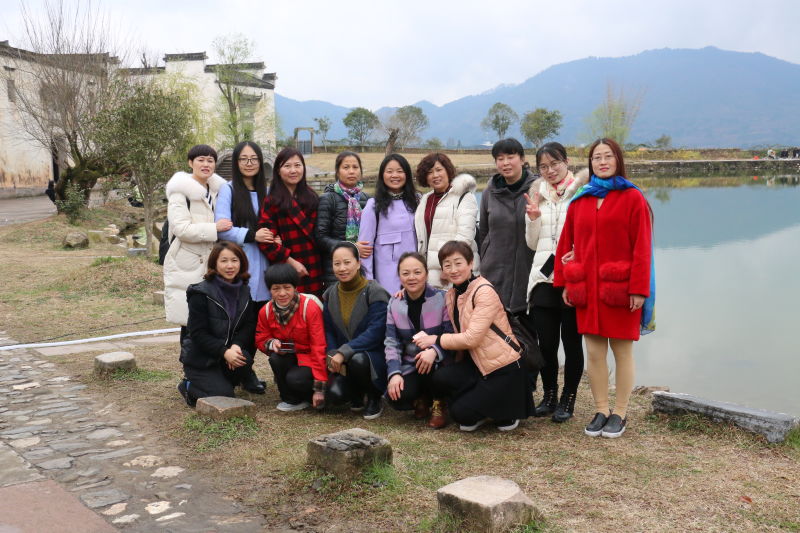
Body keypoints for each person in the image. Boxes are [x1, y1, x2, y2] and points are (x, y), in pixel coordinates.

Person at [554, 138, 654, 439]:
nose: (602, 162)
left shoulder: (632, 197)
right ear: (590, 163)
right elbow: (566, 243)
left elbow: (642, 247)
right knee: (595, 353)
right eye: (597, 157)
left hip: (620, 289)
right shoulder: (581, 199)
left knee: (622, 351)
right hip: (588, 290)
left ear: (618, 160)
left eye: (608, 156)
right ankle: (601, 409)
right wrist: (565, 282)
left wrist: (639, 289)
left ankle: (620, 412)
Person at [430, 241, 533, 432]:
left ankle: (505, 409)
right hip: (478, 364)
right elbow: (428, 295)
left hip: (503, 367)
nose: (453, 269)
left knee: (461, 414)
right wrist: (404, 292)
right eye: (447, 265)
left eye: (458, 263)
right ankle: (484, 403)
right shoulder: (451, 294)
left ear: (471, 263)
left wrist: (435, 341)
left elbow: (471, 339)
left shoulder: (483, 290)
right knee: (441, 377)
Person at [524, 142, 587, 422]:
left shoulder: (582, 193)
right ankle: (549, 395)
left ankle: (568, 399)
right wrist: (533, 219)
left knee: (571, 343)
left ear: (566, 162)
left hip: (571, 279)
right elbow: (532, 243)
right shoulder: (536, 195)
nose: (550, 171)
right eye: (543, 167)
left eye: (555, 164)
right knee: (546, 345)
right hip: (542, 279)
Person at [177, 241, 257, 406]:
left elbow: (249, 324)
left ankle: (221, 383)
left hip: (226, 354)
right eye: (224, 261)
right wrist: (224, 352)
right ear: (214, 263)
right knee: (223, 397)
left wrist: (236, 345)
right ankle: (187, 386)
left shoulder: (244, 290)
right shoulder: (200, 293)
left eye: (234, 260)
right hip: (201, 359)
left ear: (241, 263)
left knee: (244, 359)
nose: (230, 266)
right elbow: (198, 333)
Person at [163, 145, 230, 331]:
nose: (206, 164)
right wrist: (214, 228)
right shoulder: (180, 192)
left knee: (212, 319)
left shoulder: (218, 190)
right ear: (190, 163)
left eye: (210, 160)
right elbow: (180, 228)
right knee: (190, 320)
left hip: (214, 260)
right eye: (201, 160)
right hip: (189, 261)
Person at [384, 252, 453, 428]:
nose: (411, 277)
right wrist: (394, 373)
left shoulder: (442, 298)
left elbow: (450, 333)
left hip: (439, 362)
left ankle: (439, 402)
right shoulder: (394, 303)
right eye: (405, 273)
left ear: (426, 274)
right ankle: (422, 397)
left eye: (417, 272)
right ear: (399, 276)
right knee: (397, 397)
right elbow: (392, 342)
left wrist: (435, 351)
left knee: (436, 372)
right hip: (412, 362)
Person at [322, 242, 390, 420]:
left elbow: (375, 332)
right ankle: (356, 393)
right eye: (337, 264)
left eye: (347, 262)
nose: (342, 268)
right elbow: (329, 330)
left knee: (358, 359)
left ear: (358, 263)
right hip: (343, 359)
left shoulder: (375, 292)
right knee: (335, 396)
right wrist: (332, 353)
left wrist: (344, 352)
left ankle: (374, 397)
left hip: (372, 356)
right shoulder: (330, 294)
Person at [479, 138, 538, 325]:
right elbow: (484, 231)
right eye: (500, 158)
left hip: (529, 271)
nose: (505, 163)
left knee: (530, 333)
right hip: (495, 272)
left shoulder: (537, 189)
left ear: (522, 159)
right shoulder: (489, 192)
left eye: (510, 157)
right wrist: (484, 259)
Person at [255, 263, 327, 412]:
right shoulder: (266, 311)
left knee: (296, 379)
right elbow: (261, 337)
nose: (282, 293)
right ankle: (291, 399)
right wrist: (271, 343)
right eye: (276, 288)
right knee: (275, 358)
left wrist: (319, 388)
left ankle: (315, 396)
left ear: (295, 287)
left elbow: (319, 346)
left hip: (312, 359)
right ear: (269, 290)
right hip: (290, 356)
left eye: (287, 287)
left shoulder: (309, 307)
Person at [215, 141, 278, 308]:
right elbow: (222, 229)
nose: (249, 163)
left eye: (253, 159)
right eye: (243, 159)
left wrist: (277, 237)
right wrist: (253, 235)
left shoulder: (268, 192)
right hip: (240, 262)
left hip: (267, 263)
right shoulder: (228, 190)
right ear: (236, 162)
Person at [257, 147, 323, 296]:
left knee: (314, 306)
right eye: (287, 166)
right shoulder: (272, 201)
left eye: (297, 165)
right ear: (278, 171)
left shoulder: (312, 197)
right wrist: (290, 261)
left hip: (314, 266)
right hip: (286, 269)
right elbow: (266, 241)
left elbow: (320, 233)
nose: (293, 170)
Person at [414, 153, 479, 288]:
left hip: (456, 270)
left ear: (448, 171)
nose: (435, 175)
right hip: (430, 271)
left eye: (439, 170)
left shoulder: (464, 197)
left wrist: (448, 268)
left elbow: (465, 236)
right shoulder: (425, 199)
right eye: (430, 172)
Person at [358, 154, 419, 294]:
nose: (395, 175)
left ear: (407, 175)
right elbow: (365, 248)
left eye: (400, 171)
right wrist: (368, 282)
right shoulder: (373, 205)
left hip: (416, 274)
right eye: (389, 171)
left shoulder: (417, 201)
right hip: (388, 278)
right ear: (382, 175)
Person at [315, 151, 370, 287]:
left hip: (364, 269)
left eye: (355, 167)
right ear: (337, 172)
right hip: (336, 271)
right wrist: (351, 247)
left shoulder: (368, 200)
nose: (351, 171)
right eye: (346, 167)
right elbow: (321, 238)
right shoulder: (328, 199)